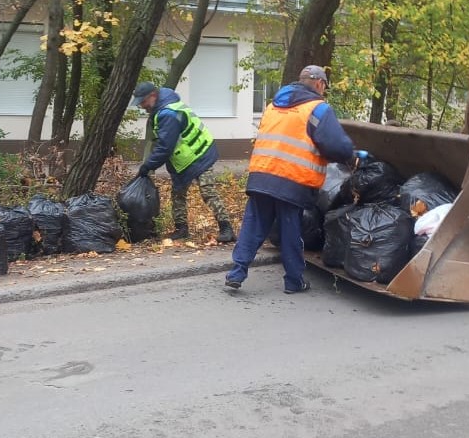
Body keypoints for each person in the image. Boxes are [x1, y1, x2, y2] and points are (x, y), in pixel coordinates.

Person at [225, 65, 359, 294]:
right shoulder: (317, 109)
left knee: (253, 226)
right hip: (292, 180)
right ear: (319, 83)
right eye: (324, 86)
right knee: (291, 231)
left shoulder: (272, 106)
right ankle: (294, 281)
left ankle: (236, 273)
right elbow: (336, 145)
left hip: (261, 175)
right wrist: (352, 156)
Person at [131, 81, 236, 243]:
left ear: (152, 96)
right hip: (183, 158)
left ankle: (226, 228)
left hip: (200, 153)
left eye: (143, 102)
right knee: (178, 193)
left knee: (208, 191)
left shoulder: (167, 114)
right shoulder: (164, 106)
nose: (142, 106)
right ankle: (181, 229)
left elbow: (165, 147)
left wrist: (148, 166)